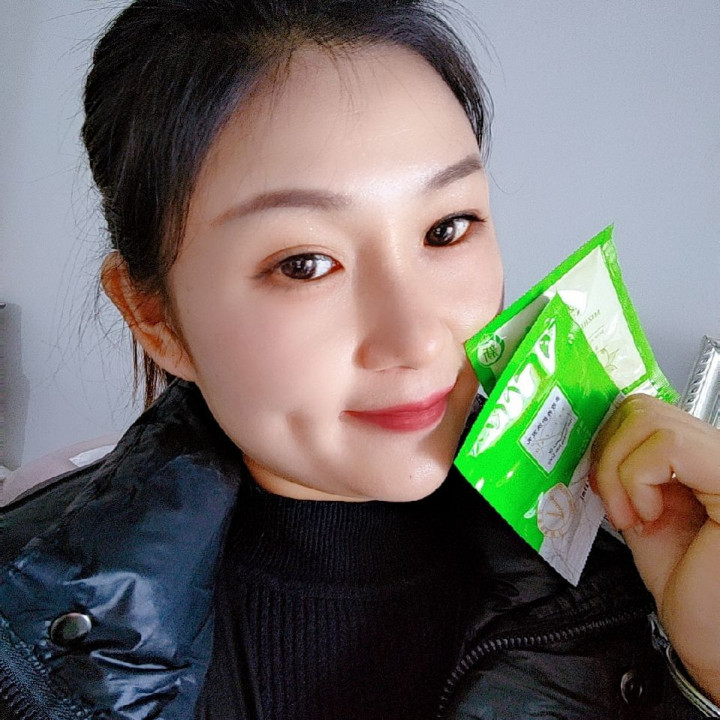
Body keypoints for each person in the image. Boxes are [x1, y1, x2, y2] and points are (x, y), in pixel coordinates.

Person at [1, 0, 719, 718]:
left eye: (447, 228)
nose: (418, 341)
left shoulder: (648, 570)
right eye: (305, 263)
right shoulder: (24, 634)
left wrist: (706, 675)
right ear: (155, 318)